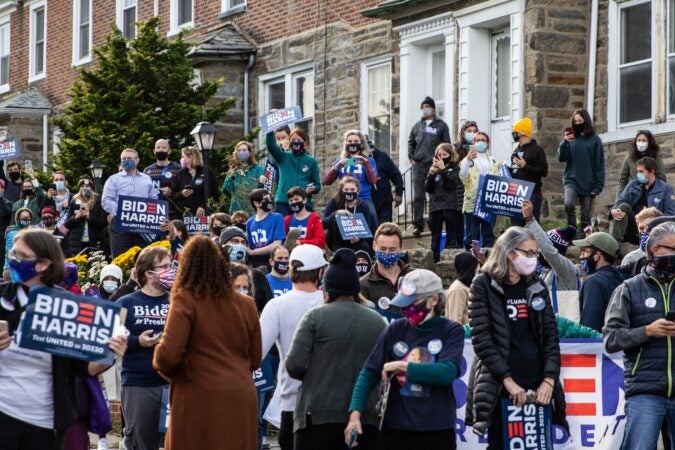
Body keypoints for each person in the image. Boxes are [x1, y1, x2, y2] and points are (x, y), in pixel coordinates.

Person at [0, 229, 127, 449]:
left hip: (45, 423)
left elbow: (83, 368)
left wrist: (110, 352)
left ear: (43, 265)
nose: (13, 260)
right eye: (13, 253)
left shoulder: (67, 307)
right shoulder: (2, 298)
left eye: (21, 256)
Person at [153, 235, 260, 450]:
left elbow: (168, 354)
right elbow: (255, 357)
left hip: (198, 396)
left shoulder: (186, 298)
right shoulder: (247, 303)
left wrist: (180, 370)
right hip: (241, 394)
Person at [466, 227, 566, 446]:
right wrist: (508, 382)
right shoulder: (483, 285)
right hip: (501, 387)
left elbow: (550, 335)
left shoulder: (536, 285)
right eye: (528, 253)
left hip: (538, 387)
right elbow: (482, 340)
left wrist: (549, 380)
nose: (533, 259)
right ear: (511, 253)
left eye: (535, 253)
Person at [346, 269, 464, 449]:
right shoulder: (396, 328)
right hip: (396, 430)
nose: (406, 308)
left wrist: (403, 366)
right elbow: (369, 372)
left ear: (433, 300)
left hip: (436, 430)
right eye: (404, 302)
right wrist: (354, 415)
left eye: (413, 302)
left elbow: (447, 372)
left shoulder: (451, 330)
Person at [286, 248, 385, 450]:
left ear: (327, 289)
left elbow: (294, 365)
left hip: (317, 416)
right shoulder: (378, 321)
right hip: (365, 418)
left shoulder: (314, 317)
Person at [603, 221, 675, 450]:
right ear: (655, 250)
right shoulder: (628, 288)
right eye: (673, 249)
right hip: (645, 391)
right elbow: (611, 339)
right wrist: (647, 331)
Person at [259, 244, 327, 450]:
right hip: (329, 402)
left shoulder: (277, 305)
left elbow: (256, 352)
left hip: (291, 400)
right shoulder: (330, 302)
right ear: (320, 272)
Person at [116, 246, 174, 450]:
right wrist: (136, 341)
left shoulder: (179, 301)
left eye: (171, 265)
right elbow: (111, 338)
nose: (171, 270)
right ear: (149, 273)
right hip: (139, 384)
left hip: (175, 384)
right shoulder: (126, 302)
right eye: (165, 266)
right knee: (140, 440)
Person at [521, 200, 579, 315]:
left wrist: (530, 220)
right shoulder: (544, 270)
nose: (537, 252)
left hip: (564, 329)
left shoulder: (567, 269)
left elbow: (549, 252)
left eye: (540, 249)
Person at [408, 96, 451, 236]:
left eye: (428, 106)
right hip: (418, 164)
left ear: (433, 108)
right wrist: (411, 158)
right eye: (423, 107)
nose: (425, 109)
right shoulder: (417, 126)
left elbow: (447, 144)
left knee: (433, 194)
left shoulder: (441, 125)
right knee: (418, 196)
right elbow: (411, 142)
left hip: (434, 163)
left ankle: (434, 222)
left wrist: (442, 161)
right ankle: (418, 224)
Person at [102, 148, 157, 257]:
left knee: (144, 259)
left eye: (130, 158)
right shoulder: (113, 179)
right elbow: (106, 201)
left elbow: (153, 200)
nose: (126, 160)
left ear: (137, 160)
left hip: (142, 225)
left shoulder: (147, 179)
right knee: (120, 259)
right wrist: (123, 210)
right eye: (124, 158)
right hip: (120, 225)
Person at [556, 109, 605, 232]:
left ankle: (585, 239)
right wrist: (565, 142)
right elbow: (561, 157)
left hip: (588, 181)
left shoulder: (595, 140)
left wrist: (598, 186)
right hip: (571, 179)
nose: (578, 123)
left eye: (580, 121)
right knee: (569, 204)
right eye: (575, 121)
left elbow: (599, 164)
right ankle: (571, 231)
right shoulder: (571, 139)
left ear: (586, 121)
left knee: (585, 214)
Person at [611, 156, 675, 244]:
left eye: (641, 171)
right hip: (634, 227)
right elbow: (620, 201)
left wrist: (653, 221)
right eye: (637, 171)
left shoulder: (666, 189)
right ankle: (614, 245)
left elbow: (670, 214)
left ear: (652, 171)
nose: (638, 174)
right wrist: (615, 210)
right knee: (622, 207)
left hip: (654, 228)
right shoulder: (632, 185)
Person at [324, 130, 379, 221]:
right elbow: (327, 181)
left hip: (363, 198)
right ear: (346, 144)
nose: (352, 144)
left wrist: (366, 164)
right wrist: (336, 167)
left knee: (372, 216)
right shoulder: (341, 161)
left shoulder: (369, 161)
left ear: (361, 144)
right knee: (329, 216)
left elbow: (373, 180)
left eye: (356, 141)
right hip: (343, 198)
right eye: (349, 141)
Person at [573, 232, 623, 333]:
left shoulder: (594, 281)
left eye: (585, 252)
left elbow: (589, 323)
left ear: (597, 256)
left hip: (598, 344)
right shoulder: (618, 278)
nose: (581, 257)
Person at [265, 127, 321, 216]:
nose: (296, 142)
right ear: (289, 141)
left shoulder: (311, 161)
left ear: (304, 142)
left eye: (298, 139)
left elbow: (317, 185)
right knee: (284, 228)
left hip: (304, 203)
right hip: (284, 201)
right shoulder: (283, 156)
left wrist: (313, 188)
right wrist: (270, 128)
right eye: (293, 139)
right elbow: (270, 145)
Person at [458, 131, 500, 250]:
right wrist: (467, 160)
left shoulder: (493, 161)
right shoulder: (467, 160)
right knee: (472, 235)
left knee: (488, 234)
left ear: (488, 143)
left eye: (483, 140)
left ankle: (487, 261)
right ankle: (471, 260)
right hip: (472, 202)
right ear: (473, 143)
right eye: (477, 140)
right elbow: (463, 176)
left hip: (489, 201)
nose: (480, 142)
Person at [360, 222, 412, 314]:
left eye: (392, 249)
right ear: (374, 246)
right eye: (383, 249)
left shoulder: (415, 278)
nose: (387, 253)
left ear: (401, 248)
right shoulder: (363, 285)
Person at [219, 226, 273, 314]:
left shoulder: (257, 276)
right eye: (235, 241)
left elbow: (268, 311)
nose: (240, 245)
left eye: (243, 242)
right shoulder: (214, 274)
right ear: (223, 245)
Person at [323, 176, 378, 255]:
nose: (349, 192)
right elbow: (323, 224)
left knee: (364, 246)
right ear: (342, 190)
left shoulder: (363, 206)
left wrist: (359, 238)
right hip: (337, 242)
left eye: (352, 190)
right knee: (336, 219)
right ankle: (338, 255)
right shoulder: (334, 203)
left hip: (357, 241)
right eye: (346, 190)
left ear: (358, 191)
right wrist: (335, 214)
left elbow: (367, 228)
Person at [509, 117, 548, 225]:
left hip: (532, 194)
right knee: (516, 227)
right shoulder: (516, 150)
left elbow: (543, 171)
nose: (513, 134)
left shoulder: (537, 150)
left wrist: (526, 166)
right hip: (516, 193)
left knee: (531, 225)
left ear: (522, 132)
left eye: (515, 132)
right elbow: (515, 171)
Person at [426, 143, 461, 262]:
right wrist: (431, 175)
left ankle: (449, 261)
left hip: (450, 206)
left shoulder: (455, 168)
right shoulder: (434, 168)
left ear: (450, 155)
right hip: (436, 207)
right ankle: (435, 261)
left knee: (451, 237)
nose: (441, 157)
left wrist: (443, 170)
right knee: (435, 238)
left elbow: (451, 185)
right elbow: (428, 188)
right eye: (439, 154)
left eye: (444, 154)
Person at [171, 146, 219, 218]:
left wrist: (203, 206)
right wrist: (182, 194)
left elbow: (214, 194)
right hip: (184, 215)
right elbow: (173, 194)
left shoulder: (207, 172)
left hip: (203, 216)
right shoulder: (180, 174)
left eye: (183, 157)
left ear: (191, 157)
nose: (181, 159)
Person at [65, 177, 108, 256]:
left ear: (91, 188)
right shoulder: (74, 201)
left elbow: (104, 222)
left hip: (94, 242)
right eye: (82, 186)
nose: (85, 188)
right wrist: (76, 217)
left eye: (87, 186)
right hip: (77, 244)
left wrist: (89, 217)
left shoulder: (98, 201)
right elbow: (67, 224)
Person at [617, 129, 667, 197]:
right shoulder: (629, 158)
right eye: (639, 140)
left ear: (649, 142)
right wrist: (618, 201)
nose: (641, 143)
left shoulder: (656, 157)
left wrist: (659, 195)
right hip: (635, 195)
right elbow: (623, 181)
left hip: (652, 193)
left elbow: (662, 178)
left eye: (644, 140)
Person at [221, 140, 264, 216]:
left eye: (244, 150)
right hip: (236, 208)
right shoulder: (233, 170)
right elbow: (225, 190)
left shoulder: (257, 168)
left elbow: (261, 188)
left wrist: (261, 181)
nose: (241, 152)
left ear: (250, 153)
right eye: (239, 150)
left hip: (252, 207)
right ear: (236, 153)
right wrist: (230, 177)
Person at [246, 188, 286, 269]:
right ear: (256, 203)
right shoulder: (250, 222)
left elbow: (277, 244)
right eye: (266, 199)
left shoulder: (277, 217)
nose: (269, 201)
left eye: (270, 198)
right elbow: (249, 245)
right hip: (255, 262)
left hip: (271, 260)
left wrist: (254, 252)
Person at [368, 136, 403, 225]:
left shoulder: (382, 156)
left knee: (384, 229)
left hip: (384, 201)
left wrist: (399, 193)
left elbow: (396, 174)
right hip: (366, 202)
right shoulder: (356, 160)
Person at [619, 207, 664, 276]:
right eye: (641, 228)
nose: (645, 231)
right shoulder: (631, 259)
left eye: (649, 227)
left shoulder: (669, 255)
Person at [144, 139, 182, 218]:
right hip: (152, 213)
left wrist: (171, 193)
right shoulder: (147, 171)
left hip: (173, 214)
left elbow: (183, 192)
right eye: (158, 147)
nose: (161, 150)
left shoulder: (178, 169)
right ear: (154, 151)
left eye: (164, 147)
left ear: (169, 151)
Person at [445, 252, 478, 324]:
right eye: (476, 267)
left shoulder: (467, 286)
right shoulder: (458, 289)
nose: (477, 270)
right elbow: (455, 320)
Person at [3, 208, 34, 277]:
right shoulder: (12, 232)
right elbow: (12, 253)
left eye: (28, 217)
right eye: (23, 217)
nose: (26, 219)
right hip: (12, 270)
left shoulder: (31, 231)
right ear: (17, 219)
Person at [0, 179, 13, 265]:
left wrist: (0, 199)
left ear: (3, 189)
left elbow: (6, 213)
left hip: (3, 238)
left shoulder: (8, 203)